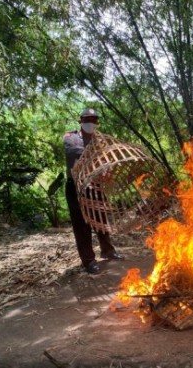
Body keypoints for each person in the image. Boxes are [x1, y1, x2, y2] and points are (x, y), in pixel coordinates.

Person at [64, 108, 124, 274]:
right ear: (80, 121)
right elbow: (72, 152)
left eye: (94, 119)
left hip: (95, 185)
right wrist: (98, 155)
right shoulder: (71, 137)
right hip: (76, 186)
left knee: (101, 218)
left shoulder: (100, 141)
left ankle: (108, 250)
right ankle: (89, 261)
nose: (91, 122)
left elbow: (109, 160)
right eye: (87, 119)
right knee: (81, 224)